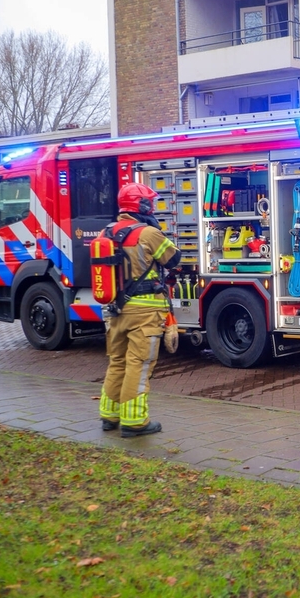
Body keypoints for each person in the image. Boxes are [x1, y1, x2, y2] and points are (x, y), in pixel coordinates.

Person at [99, 182, 181, 437]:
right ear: (142, 205)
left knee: (118, 361)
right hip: (144, 312)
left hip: (115, 311)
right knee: (139, 363)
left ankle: (109, 415)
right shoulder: (147, 233)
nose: (154, 208)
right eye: (151, 203)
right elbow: (174, 259)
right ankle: (135, 422)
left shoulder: (106, 232)